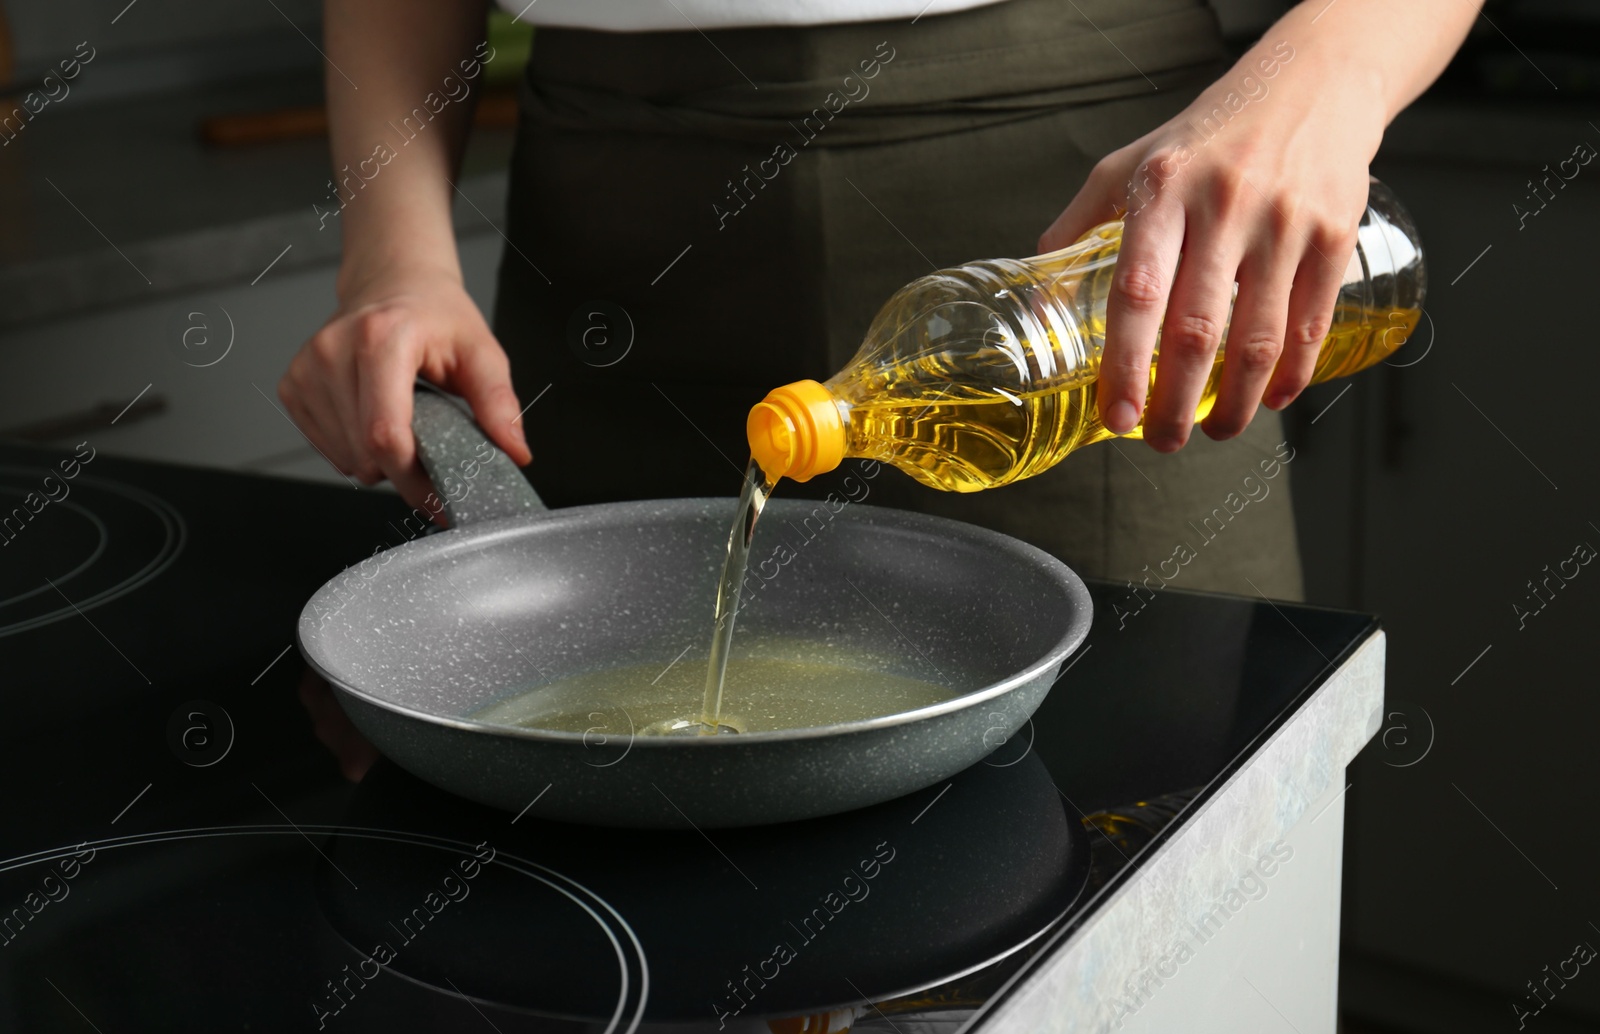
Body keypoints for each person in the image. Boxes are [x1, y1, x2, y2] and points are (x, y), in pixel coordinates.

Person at [280, 0, 1475, 602]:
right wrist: (395, 256)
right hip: (611, 248)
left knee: (1148, 835)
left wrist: (1323, 79)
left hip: (1089, 232)